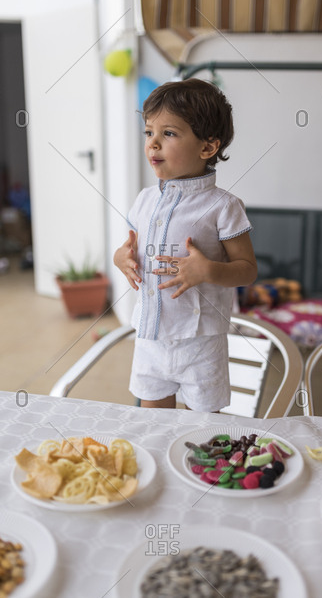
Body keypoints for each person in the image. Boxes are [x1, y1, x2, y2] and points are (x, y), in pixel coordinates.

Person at [114, 78, 257, 411]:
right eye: (149, 132)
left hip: (201, 342)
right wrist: (121, 258)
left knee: (204, 431)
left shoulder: (224, 206)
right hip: (150, 337)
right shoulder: (144, 199)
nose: (153, 144)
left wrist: (208, 270)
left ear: (207, 148)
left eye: (169, 134)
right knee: (152, 426)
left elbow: (247, 271)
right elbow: (129, 249)